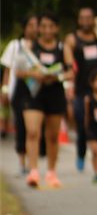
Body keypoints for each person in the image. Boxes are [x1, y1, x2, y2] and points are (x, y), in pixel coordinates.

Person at [20, 12, 70, 188]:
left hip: (54, 92)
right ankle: (33, 171)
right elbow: (18, 71)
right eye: (43, 26)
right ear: (38, 28)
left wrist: (56, 76)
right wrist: (34, 74)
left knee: (52, 136)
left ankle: (51, 171)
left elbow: (71, 71)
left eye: (51, 26)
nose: (47, 30)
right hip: (34, 93)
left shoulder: (63, 47)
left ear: (56, 28)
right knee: (33, 132)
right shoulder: (29, 47)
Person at [64, 7, 97, 173]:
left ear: (94, 20)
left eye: (89, 18)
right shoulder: (73, 39)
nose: (86, 21)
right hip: (81, 90)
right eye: (82, 18)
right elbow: (67, 58)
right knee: (82, 123)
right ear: (78, 20)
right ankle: (81, 153)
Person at [1, 14, 45, 173]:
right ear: (25, 28)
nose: (35, 28)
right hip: (20, 91)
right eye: (31, 25)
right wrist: (5, 89)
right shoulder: (15, 46)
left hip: (39, 91)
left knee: (34, 129)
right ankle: (22, 161)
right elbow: (7, 70)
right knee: (21, 126)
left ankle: (33, 160)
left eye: (37, 25)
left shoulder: (42, 45)